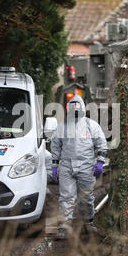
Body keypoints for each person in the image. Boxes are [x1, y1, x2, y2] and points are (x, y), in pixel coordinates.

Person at [50, 94, 107, 239]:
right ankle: (63, 227)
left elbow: (101, 143)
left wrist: (100, 161)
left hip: (86, 166)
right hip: (67, 166)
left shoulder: (90, 125)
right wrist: (55, 166)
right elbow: (55, 146)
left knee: (87, 197)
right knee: (66, 198)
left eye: (77, 105)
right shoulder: (62, 126)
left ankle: (89, 224)